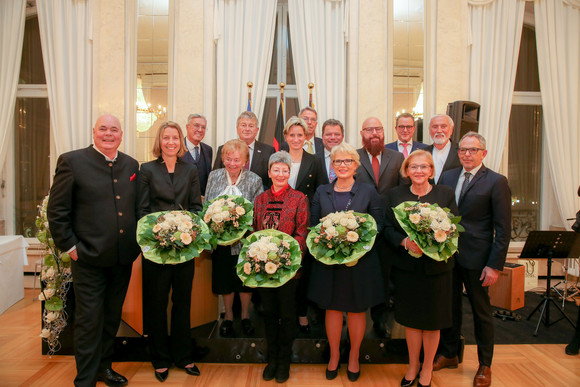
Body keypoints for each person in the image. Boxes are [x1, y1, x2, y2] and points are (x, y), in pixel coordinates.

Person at [47, 115, 141, 387]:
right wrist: (71, 247)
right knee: (89, 320)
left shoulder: (131, 165)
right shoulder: (72, 161)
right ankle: (85, 379)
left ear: (121, 135)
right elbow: (58, 211)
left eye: (114, 129)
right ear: (94, 132)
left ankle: (104, 368)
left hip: (122, 258)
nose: (108, 134)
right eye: (103, 129)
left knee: (111, 318)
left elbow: (134, 208)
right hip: (87, 258)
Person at [436, 132, 511, 387]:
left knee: (481, 311)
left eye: (473, 150)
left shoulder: (496, 181)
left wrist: (494, 265)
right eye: (463, 150)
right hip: (447, 254)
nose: (467, 154)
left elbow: (503, 229)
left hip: (479, 258)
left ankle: (484, 364)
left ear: (484, 153)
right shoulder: (447, 177)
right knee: (450, 306)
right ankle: (449, 353)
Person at [308, 143, 385, 382]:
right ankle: (333, 355)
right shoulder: (322, 191)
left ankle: (353, 355)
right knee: (332, 308)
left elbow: (378, 225)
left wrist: (356, 246)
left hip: (359, 262)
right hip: (329, 263)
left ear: (356, 165)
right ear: (331, 166)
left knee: (356, 309)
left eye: (347, 161)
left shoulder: (368, 190)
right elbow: (313, 225)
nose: (342, 165)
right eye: (337, 161)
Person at [384, 150, 457, 387]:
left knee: (432, 320)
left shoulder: (444, 194)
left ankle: (427, 367)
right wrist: (405, 242)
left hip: (437, 269)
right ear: (406, 171)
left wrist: (436, 240)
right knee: (412, 320)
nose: (419, 171)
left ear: (431, 171)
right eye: (413, 167)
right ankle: (413, 364)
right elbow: (387, 228)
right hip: (407, 268)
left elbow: (454, 228)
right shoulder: (395, 195)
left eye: (424, 167)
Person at [137, 121, 203, 382]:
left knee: (182, 303)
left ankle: (183, 356)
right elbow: (142, 210)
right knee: (156, 304)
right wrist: (159, 233)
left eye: (175, 137)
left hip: (185, 248)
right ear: (160, 141)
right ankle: (160, 359)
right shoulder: (147, 170)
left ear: (181, 141)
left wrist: (187, 228)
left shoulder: (191, 170)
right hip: (156, 249)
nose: (171, 142)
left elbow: (196, 207)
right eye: (166, 137)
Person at [253, 151, 309, 383]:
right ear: (269, 173)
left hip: (288, 268)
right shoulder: (261, 199)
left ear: (289, 173)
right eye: (276, 169)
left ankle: (284, 360)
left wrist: (284, 256)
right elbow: (256, 230)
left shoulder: (299, 198)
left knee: (287, 315)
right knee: (268, 313)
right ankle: (272, 358)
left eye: (284, 170)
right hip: (264, 268)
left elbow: (302, 232)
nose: (280, 173)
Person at [205, 139, 264, 337]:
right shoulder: (213, 176)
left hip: (244, 240)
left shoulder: (254, 179)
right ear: (222, 158)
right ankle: (229, 316)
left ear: (245, 160)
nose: (232, 163)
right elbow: (207, 208)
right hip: (220, 241)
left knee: (244, 279)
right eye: (228, 159)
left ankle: (246, 316)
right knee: (225, 279)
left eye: (236, 159)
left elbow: (258, 210)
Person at [355, 116, 404, 339]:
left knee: (383, 277)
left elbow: (403, 191)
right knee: (359, 275)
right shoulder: (353, 157)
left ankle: (380, 320)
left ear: (384, 132)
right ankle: (355, 319)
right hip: (359, 228)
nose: (374, 133)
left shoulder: (397, 157)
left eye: (378, 129)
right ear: (362, 134)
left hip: (387, 228)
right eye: (369, 130)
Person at [282, 116, 328, 333]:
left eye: (300, 135)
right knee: (280, 266)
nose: (296, 138)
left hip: (304, 223)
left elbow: (322, 190)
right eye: (292, 135)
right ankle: (284, 315)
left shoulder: (315, 160)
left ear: (306, 136)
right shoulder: (277, 158)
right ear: (286, 136)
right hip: (279, 222)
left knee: (302, 271)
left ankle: (301, 314)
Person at [213, 111, 275, 189]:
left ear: (257, 130)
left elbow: (271, 182)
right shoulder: (223, 149)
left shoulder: (269, 151)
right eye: (243, 125)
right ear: (237, 128)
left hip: (257, 198)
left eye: (251, 126)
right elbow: (215, 178)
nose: (247, 129)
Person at [182, 113, 213, 196]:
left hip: (202, 203)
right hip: (181, 202)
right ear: (187, 127)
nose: (200, 130)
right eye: (196, 125)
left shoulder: (208, 150)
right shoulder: (177, 149)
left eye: (203, 127)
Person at [424, 114, 461, 183]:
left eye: (443, 126)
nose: (439, 130)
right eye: (435, 127)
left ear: (451, 129)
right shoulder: (422, 153)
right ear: (429, 130)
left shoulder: (462, 151)